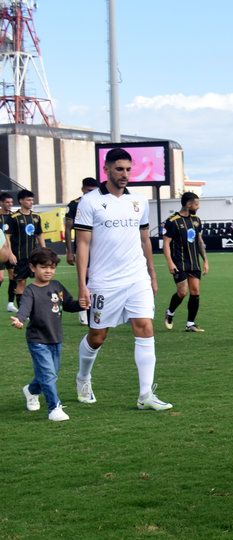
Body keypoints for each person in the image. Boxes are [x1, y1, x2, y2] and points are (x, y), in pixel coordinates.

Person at [73, 147, 172, 410]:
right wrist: (82, 284)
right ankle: (83, 377)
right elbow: (82, 245)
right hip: (104, 281)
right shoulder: (90, 202)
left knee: (145, 328)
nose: (125, 174)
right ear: (106, 170)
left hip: (136, 277)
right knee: (98, 336)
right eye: (119, 169)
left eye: (128, 169)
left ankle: (145, 396)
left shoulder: (139, 201)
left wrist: (151, 273)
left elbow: (144, 239)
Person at [11, 247, 85, 421]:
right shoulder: (30, 290)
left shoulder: (57, 286)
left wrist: (81, 305)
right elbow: (24, 309)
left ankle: (31, 390)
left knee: (51, 372)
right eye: (43, 267)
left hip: (56, 338)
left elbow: (68, 305)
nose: (48, 271)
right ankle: (54, 408)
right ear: (33, 267)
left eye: (51, 267)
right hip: (37, 340)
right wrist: (20, 319)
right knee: (49, 374)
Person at [163, 192, 209, 333]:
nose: (198, 207)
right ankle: (170, 312)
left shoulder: (196, 220)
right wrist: (170, 262)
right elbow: (166, 243)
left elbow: (200, 241)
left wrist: (205, 261)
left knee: (195, 292)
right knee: (182, 292)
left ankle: (190, 324)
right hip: (179, 262)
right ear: (188, 204)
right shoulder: (172, 221)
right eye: (196, 204)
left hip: (194, 262)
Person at [65, 177, 99, 325]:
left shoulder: (100, 202)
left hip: (99, 247)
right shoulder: (74, 205)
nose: (92, 193)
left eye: (94, 191)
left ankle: (96, 310)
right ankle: (82, 309)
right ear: (83, 189)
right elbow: (68, 228)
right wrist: (69, 251)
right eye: (89, 190)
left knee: (97, 278)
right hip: (83, 246)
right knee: (86, 276)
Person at [6, 189, 45, 312]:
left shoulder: (36, 217)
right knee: (21, 283)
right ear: (21, 201)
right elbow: (7, 236)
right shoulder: (13, 217)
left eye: (32, 200)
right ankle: (23, 311)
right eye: (28, 200)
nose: (31, 202)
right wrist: (10, 254)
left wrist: (44, 251)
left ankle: (38, 307)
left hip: (34, 257)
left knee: (40, 281)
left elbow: (40, 235)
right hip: (19, 256)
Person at [1, 191, 15, 310]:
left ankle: (10, 303)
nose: (10, 204)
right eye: (7, 202)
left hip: (11, 251)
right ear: (1, 203)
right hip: (0, 252)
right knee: (0, 278)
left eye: (11, 202)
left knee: (13, 276)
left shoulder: (13, 216)